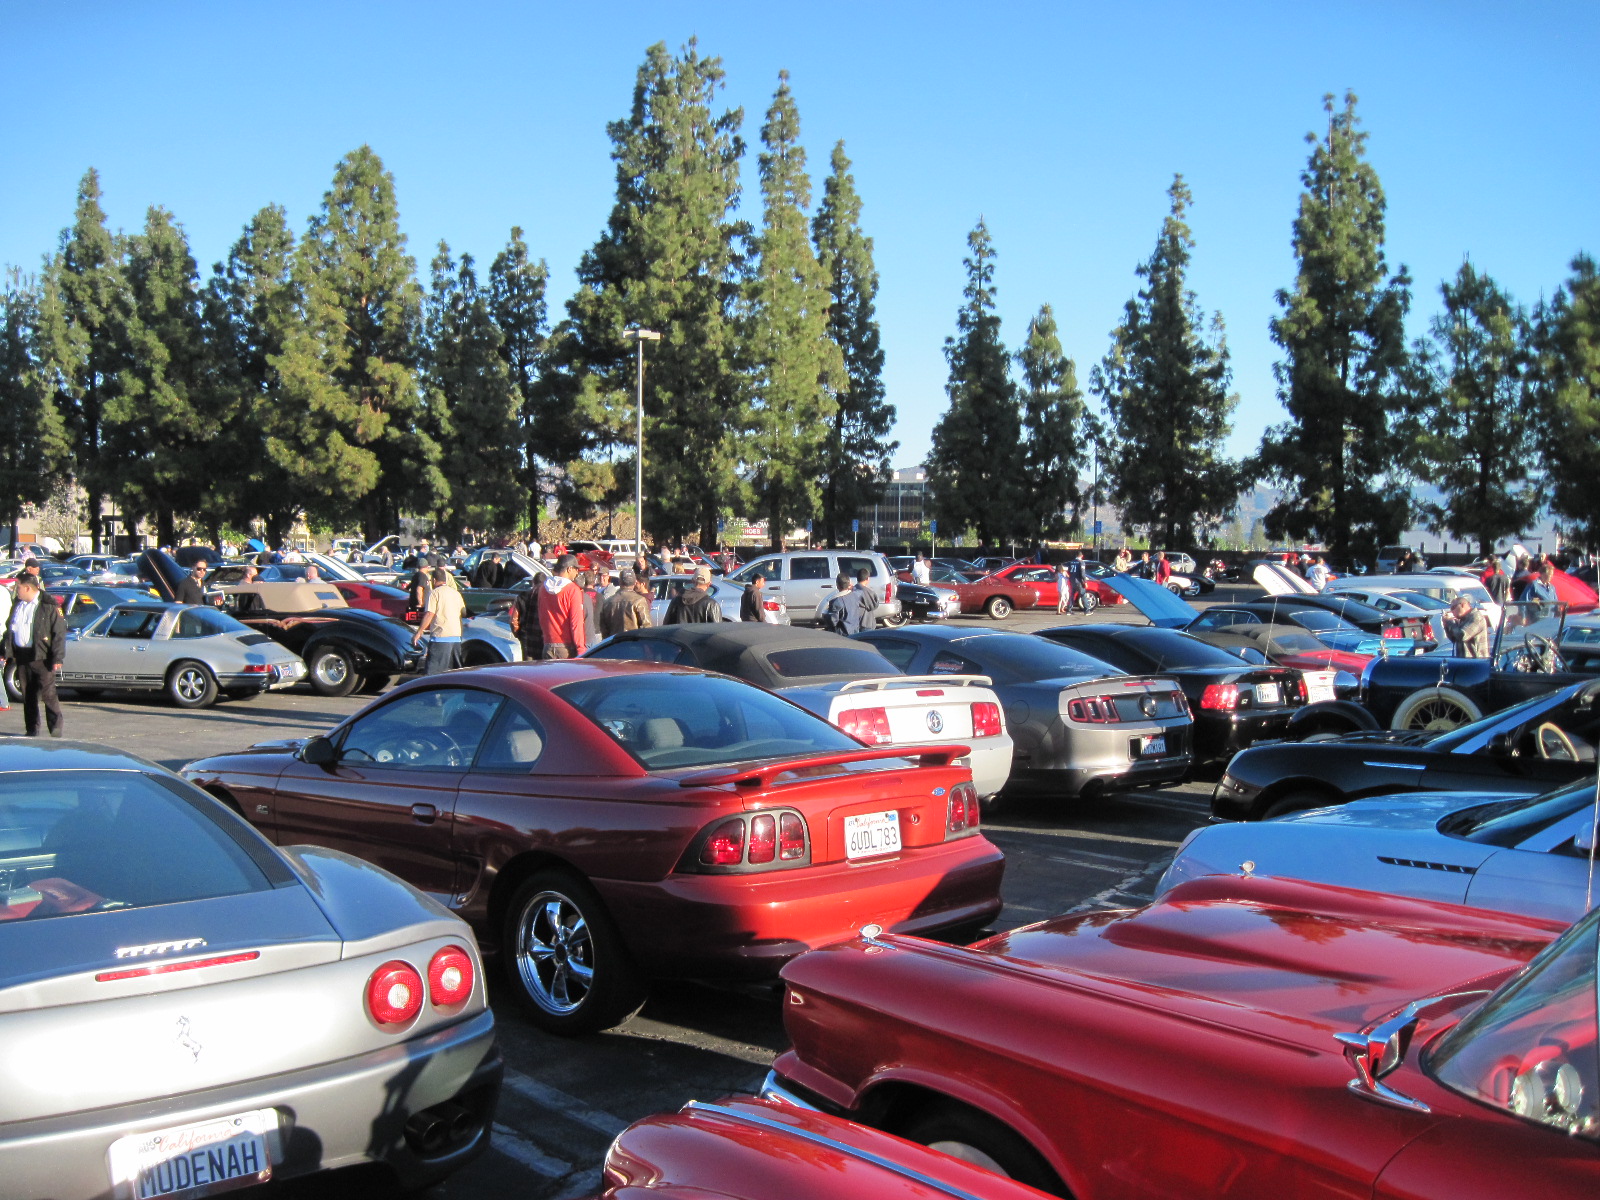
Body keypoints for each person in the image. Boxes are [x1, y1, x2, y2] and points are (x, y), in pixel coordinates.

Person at [5, 576, 66, 737]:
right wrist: (5, 650)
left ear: (27, 588)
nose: (16, 590)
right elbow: (10, 629)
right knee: (28, 694)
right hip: (22, 655)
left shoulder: (48, 605)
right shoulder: (18, 605)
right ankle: (32, 729)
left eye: (18, 587)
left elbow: (59, 633)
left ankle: (55, 728)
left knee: (48, 694)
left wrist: (57, 657)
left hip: (42, 656)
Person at [411, 567, 466, 674]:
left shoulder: (435, 593)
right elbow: (463, 612)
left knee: (433, 673)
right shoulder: (456, 593)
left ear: (434, 580)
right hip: (456, 637)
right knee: (453, 672)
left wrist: (419, 632)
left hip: (440, 637)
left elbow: (429, 614)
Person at [537, 553, 586, 658]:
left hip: (547, 645)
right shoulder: (573, 590)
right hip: (566, 648)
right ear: (569, 569)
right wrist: (581, 648)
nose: (577, 573)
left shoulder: (543, 588)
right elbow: (576, 622)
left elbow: (541, 617)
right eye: (576, 569)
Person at [599, 569, 652, 638]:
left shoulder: (608, 602)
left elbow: (604, 630)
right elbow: (646, 627)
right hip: (633, 641)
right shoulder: (639, 600)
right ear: (634, 582)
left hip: (614, 642)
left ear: (619, 582)